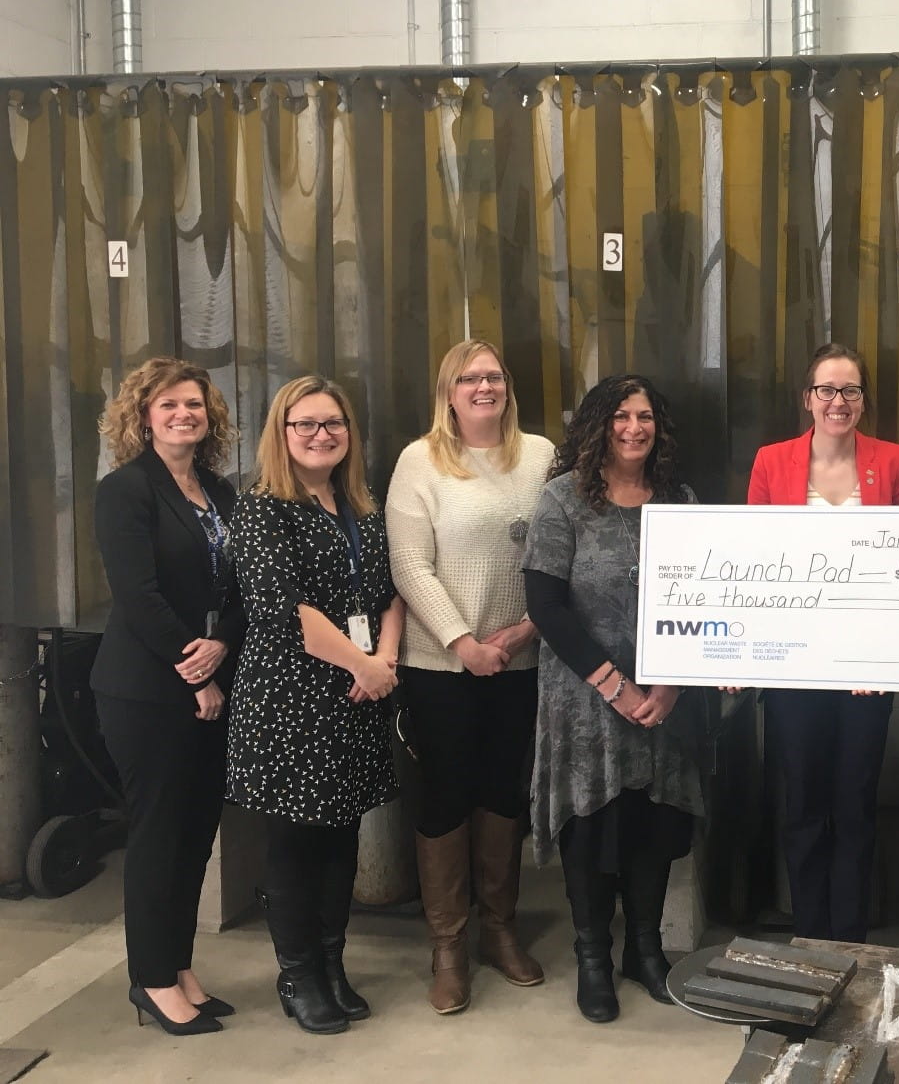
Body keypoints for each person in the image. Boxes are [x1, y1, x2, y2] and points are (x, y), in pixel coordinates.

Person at [521, 374, 704, 1023]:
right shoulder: (561, 500)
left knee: (652, 825)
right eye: (621, 415)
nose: (634, 427)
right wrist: (612, 684)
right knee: (593, 828)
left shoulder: (680, 501)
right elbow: (544, 604)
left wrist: (670, 683)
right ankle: (594, 955)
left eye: (645, 415)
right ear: (598, 424)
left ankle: (645, 950)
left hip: (663, 700)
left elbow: (699, 599)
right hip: (584, 700)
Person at [228, 375, 404, 1034]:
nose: (321, 434)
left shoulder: (359, 505)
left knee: (342, 836)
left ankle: (333, 963)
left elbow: (391, 592)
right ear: (282, 432)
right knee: (294, 842)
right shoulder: (263, 508)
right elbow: (285, 608)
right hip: (289, 697)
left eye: (332, 423)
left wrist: (383, 662)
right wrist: (363, 663)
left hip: (357, 694)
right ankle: (297, 973)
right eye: (305, 424)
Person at [386, 339, 554, 1014]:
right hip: (439, 664)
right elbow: (408, 564)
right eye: (468, 377)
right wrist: (462, 641)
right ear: (448, 391)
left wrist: (527, 630)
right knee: (446, 794)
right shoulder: (419, 460)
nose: (483, 386)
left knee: (503, 792)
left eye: (493, 376)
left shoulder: (541, 456)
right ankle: (448, 946)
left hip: (520, 655)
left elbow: (561, 551)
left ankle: (499, 930)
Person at [746, 341, 899, 943]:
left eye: (850, 390)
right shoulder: (772, 462)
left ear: (863, 400)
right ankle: (811, 935)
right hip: (795, 669)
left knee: (855, 803)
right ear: (808, 399)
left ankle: (850, 940)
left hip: (867, 671)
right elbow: (754, 566)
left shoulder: (893, 461)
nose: (838, 401)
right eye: (827, 390)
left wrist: (888, 655)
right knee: (802, 805)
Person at [91, 357, 245, 1036]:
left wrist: (225, 647)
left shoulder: (220, 491)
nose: (184, 413)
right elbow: (139, 596)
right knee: (158, 836)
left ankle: (179, 966)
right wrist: (200, 669)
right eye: (168, 405)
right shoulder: (125, 491)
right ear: (142, 417)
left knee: (194, 837)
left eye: (194, 403)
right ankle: (151, 979)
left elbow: (241, 586)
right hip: (146, 689)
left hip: (209, 679)